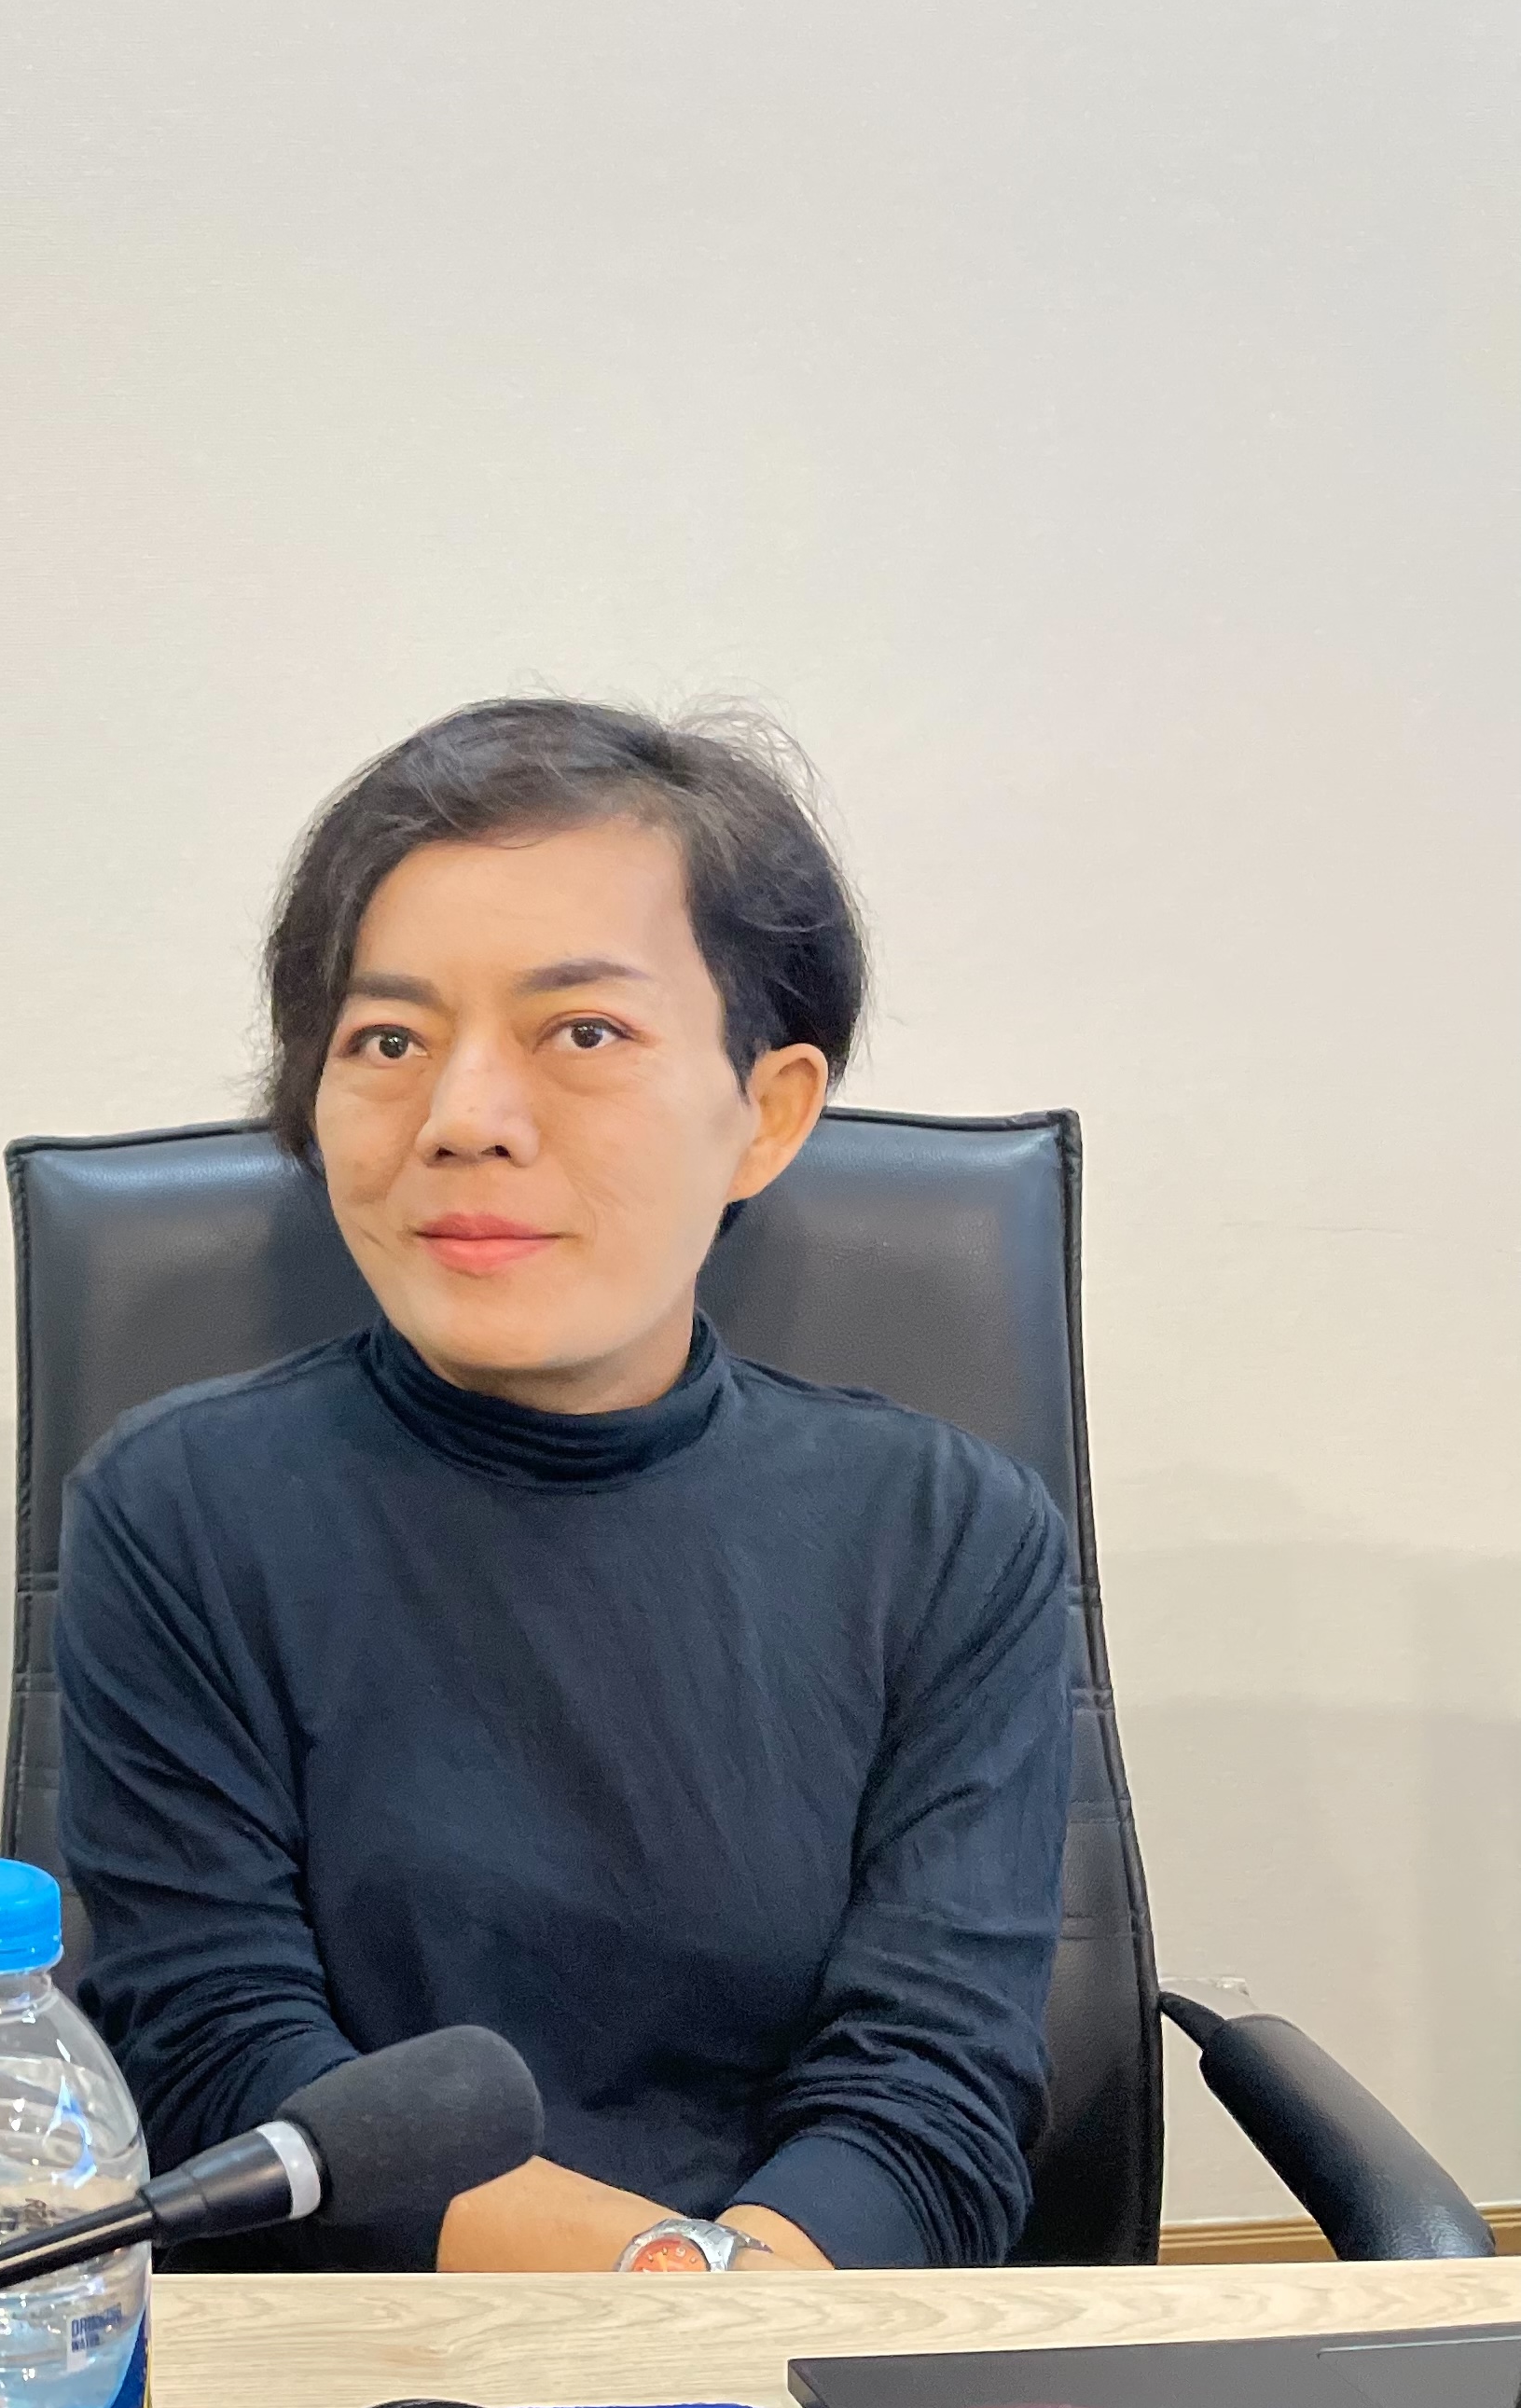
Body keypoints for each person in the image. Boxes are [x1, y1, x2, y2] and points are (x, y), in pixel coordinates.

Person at [58, 699, 1073, 2273]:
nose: (463, 1121)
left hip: (798, 2344)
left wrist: (718, 2340)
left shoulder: (954, 1540)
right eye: (387, 1041)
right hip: (348, 2359)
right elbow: (222, 2061)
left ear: (768, 1113)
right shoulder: (178, 1510)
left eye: (583, 1034)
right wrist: (663, 2290)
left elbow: (930, 2094)